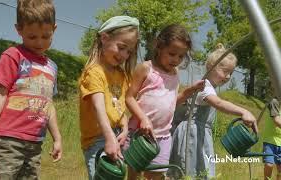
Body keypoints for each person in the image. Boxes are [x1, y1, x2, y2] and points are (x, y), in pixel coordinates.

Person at [0, 0, 62, 179]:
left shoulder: (52, 67)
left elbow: (49, 106)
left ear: (54, 29)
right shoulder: (13, 56)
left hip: (35, 144)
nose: (39, 42)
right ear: (19, 30)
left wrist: (57, 137)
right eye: (32, 37)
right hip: (9, 140)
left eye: (46, 36)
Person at [125, 24, 205, 180]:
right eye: (172, 54)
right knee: (134, 174)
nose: (176, 60)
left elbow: (171, 103)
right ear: (159, 46)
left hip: (162, 137)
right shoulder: (145, 69)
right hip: (139, 133)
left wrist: (188, 92)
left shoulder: (175, 73)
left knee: (155, 175)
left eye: (181, 56)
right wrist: (143, 118)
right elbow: (129, 98)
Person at [168, 43, 257, 179]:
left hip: (201, 134)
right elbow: (218, 103)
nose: (227, 77)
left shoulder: (210, 87)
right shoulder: (204, 86)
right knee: (190, 168)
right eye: (224, 71)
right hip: (192, 134)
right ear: (211, 67)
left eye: (230, 73)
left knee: (200, 168)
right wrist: (243, 111)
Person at [78, 16, 140, 179]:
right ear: (104, 38)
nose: (124, 55)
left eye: (129, 51)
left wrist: (125, 128)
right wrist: (109, 137)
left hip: (117, 135)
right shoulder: (94, 73)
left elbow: (119, 107)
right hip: (99, 139)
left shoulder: (121, 75)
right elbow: (99, 108)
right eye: (121, 47)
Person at [262, 97, 281, 180]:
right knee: (269, 165)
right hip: (270, 141)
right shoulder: (274, 102)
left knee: (280, 169)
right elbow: (276, 120)